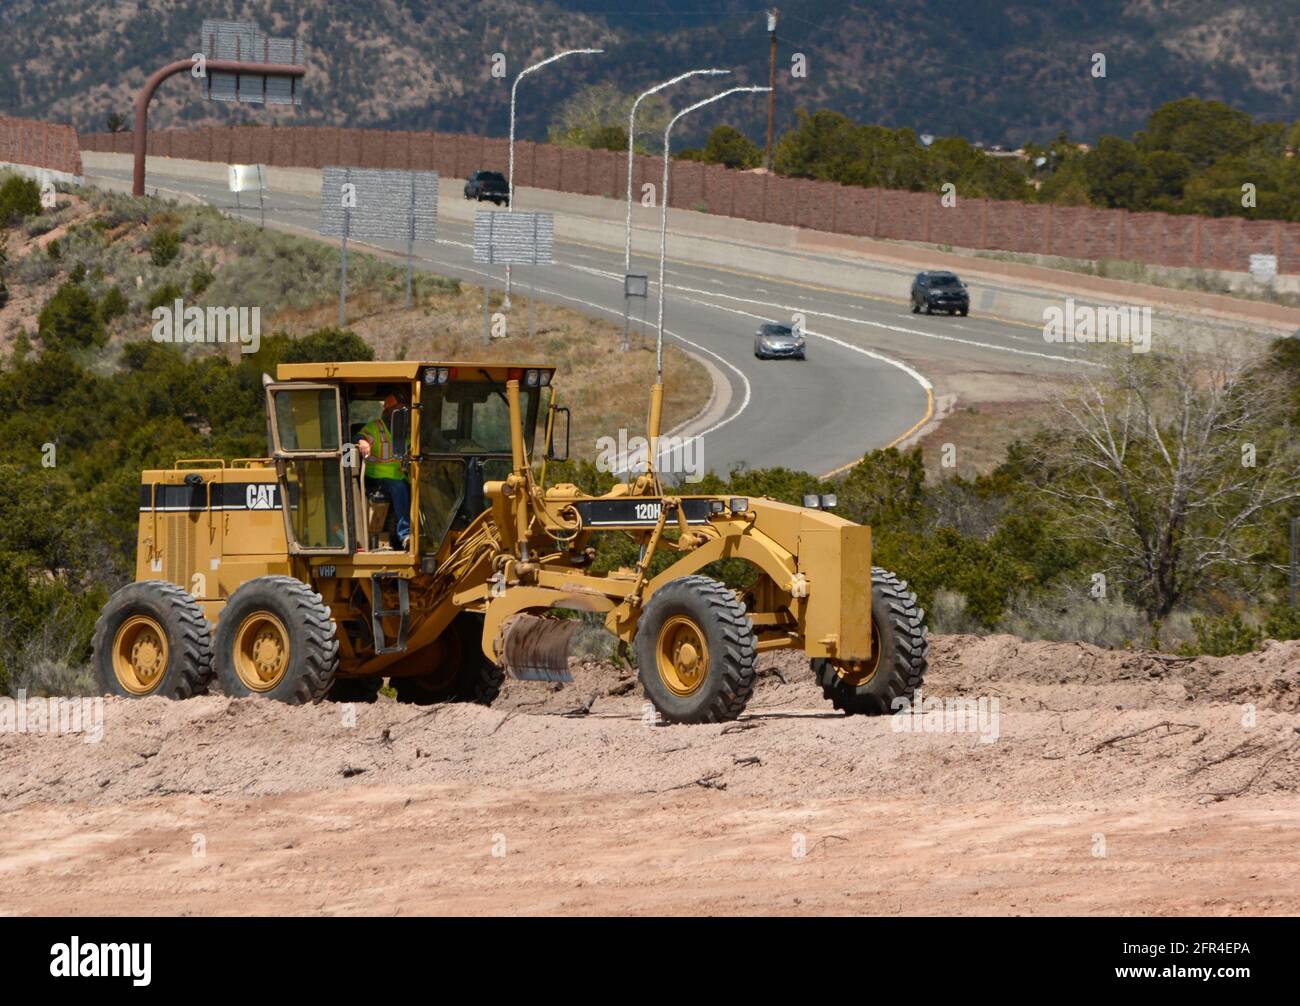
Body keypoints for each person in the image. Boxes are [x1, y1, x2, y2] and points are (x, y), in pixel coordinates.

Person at [357, 387, 411, 550]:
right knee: (399, 487)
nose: (401, 413)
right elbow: (356, 437)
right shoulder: (375, 427)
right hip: (376, 478)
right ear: (388, 410)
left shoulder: (405, 432)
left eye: (403, 410)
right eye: (398, 410)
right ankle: (405, 533)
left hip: (400, 476)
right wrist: (362, 442)